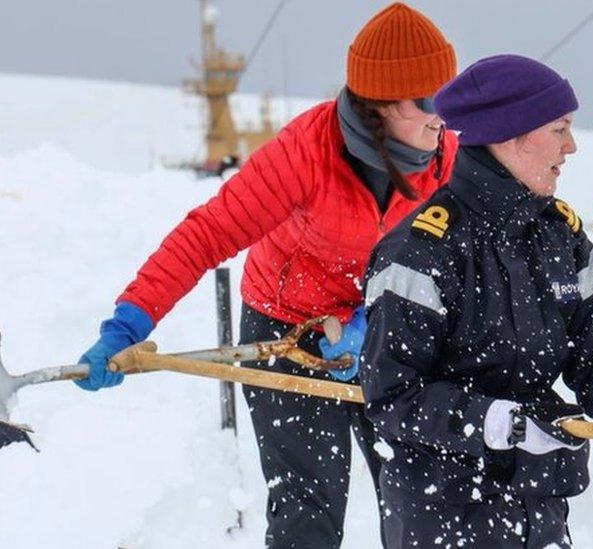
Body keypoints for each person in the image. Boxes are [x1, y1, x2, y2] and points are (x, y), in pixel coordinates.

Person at [73, 3, 459, 547]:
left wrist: (374, 323)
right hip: (286, 333)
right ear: (381, 104)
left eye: (452, 96)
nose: (446, 116)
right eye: (431, 101)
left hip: (385, 333)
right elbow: (207, 234)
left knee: (424, 498)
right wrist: (128, 324)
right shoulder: (306, 154)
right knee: (310, 512)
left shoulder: (447, 163)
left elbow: (461, 268)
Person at [359, 55, 593, 549]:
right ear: (510, 134)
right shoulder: (421, 251)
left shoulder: (559, 238)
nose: (571, 146)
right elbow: (392, 395)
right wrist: (497, 424)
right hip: (443, 516)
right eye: (559, 129)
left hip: (539, 509)